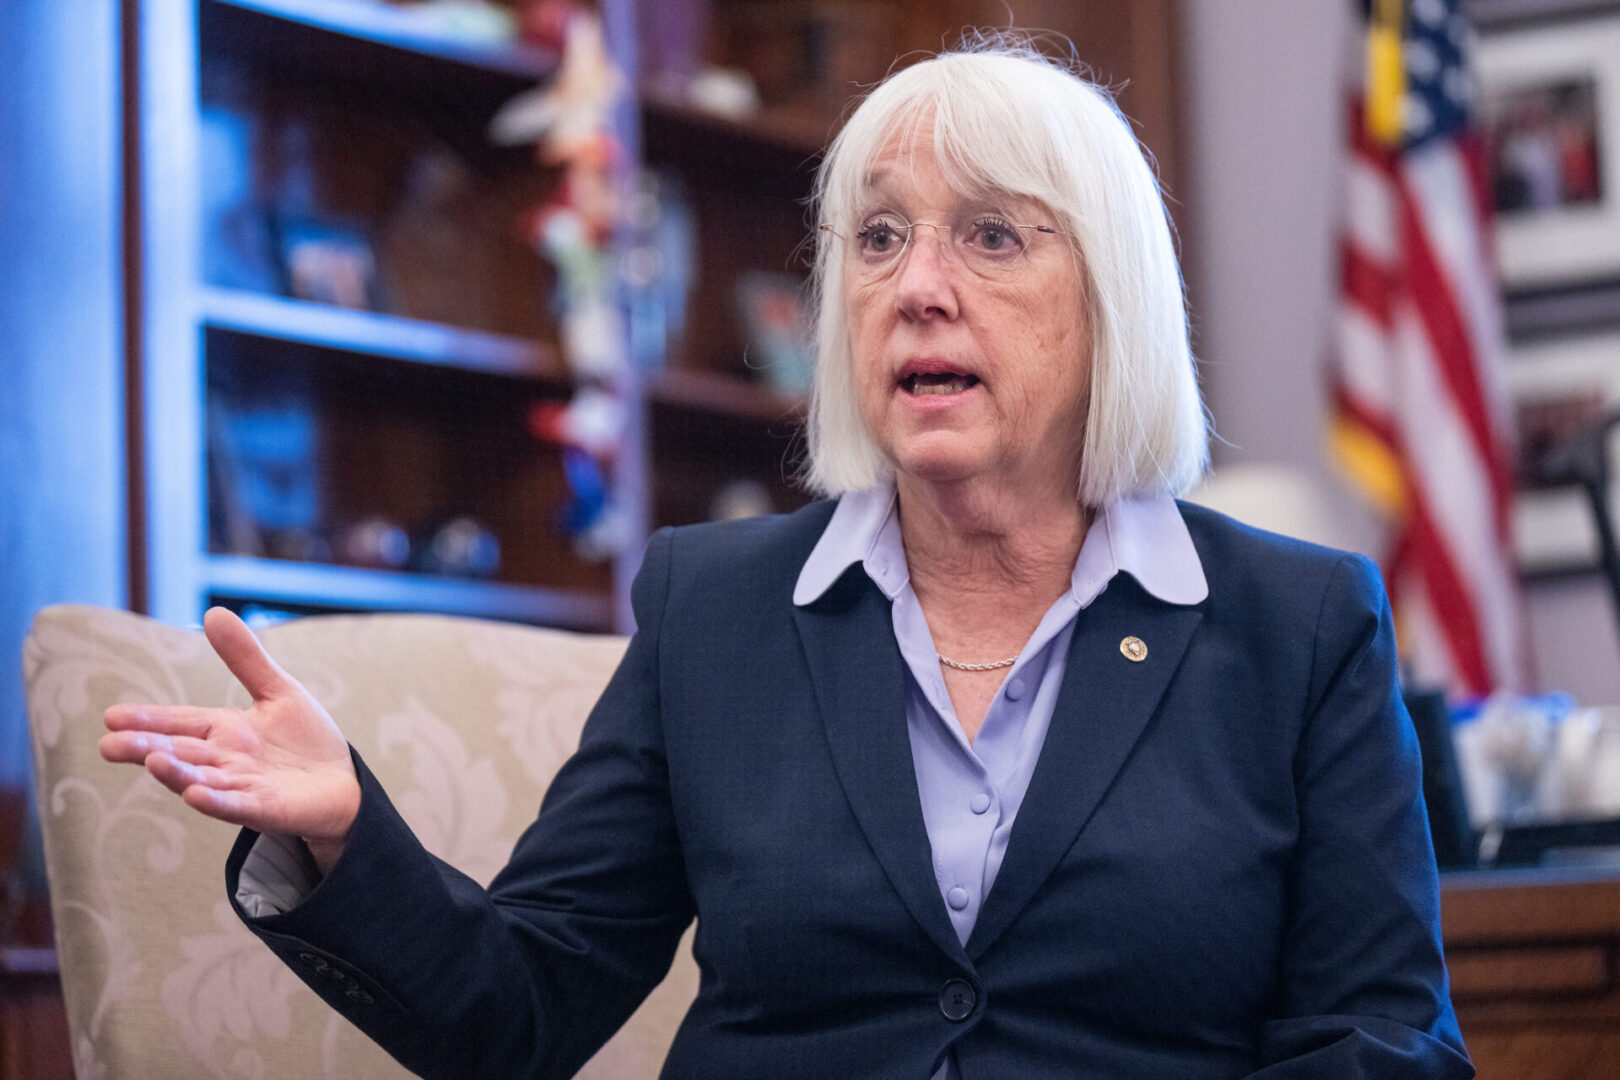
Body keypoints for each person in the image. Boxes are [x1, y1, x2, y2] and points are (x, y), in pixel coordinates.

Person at [100, 39, 1473, 1080]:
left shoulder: (1295, 627)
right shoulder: (717, 610)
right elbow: (514, 1011)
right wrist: (346, 832)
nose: (916, 283)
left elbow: (1378, 1034)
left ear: (1111, 295)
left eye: (991, 235)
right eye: (877, 238)